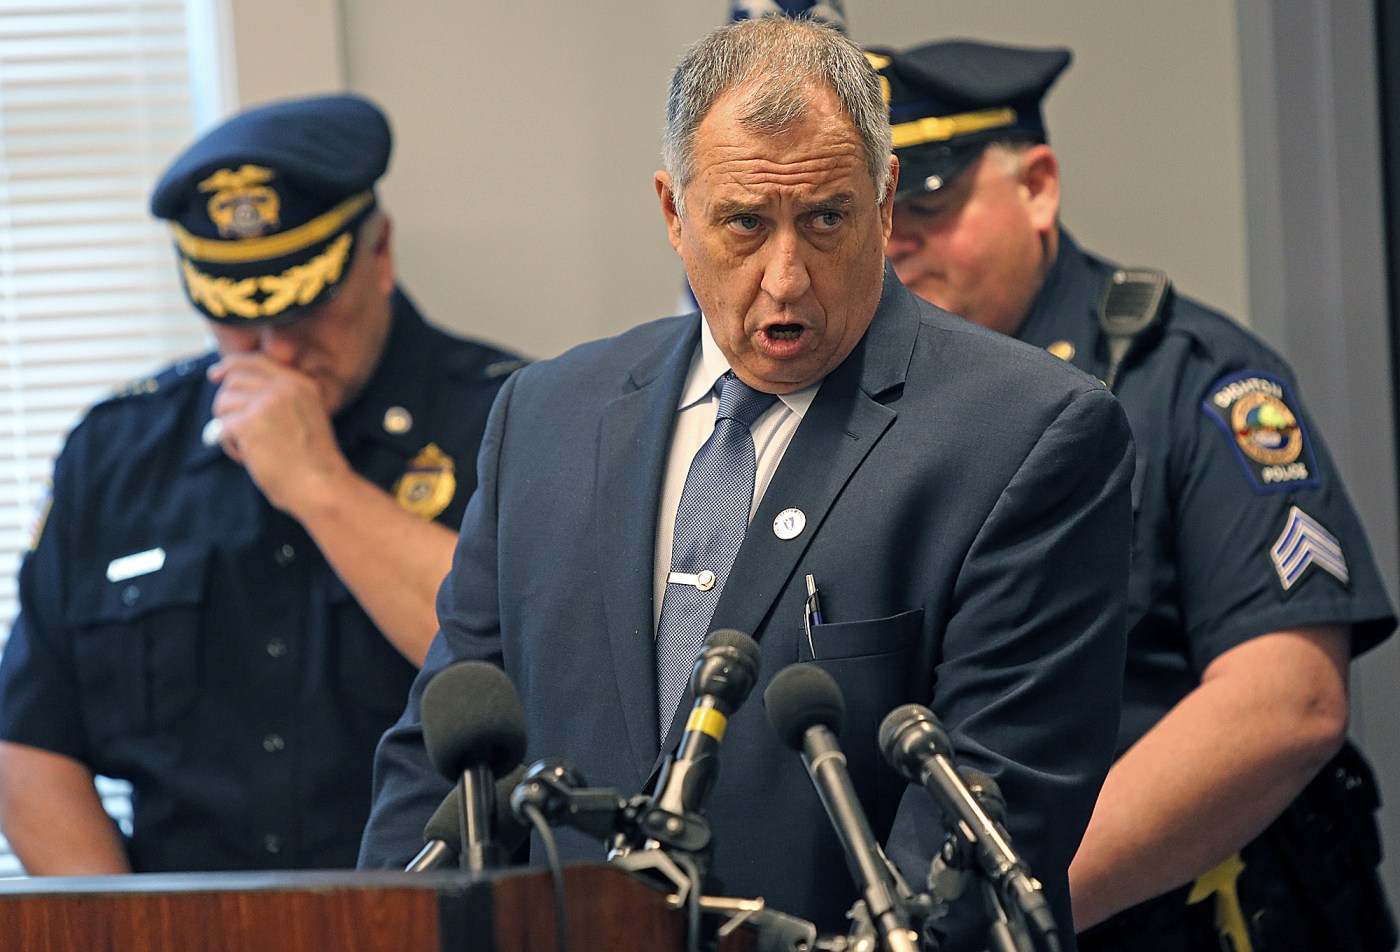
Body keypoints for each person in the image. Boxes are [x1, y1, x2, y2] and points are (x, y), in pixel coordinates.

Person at [360, 18, 1134, 950]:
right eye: (744, 224)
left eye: (827, 219)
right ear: (672, 211)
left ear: (885, 202)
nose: (786, 277)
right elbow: (439, 767)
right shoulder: (546, 417)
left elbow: (984, 831)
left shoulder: (1026, 434)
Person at [871, 38, 1398, 951]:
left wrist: (1002, 910)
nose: (897, 241)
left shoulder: (1186, 377)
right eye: (878, 210)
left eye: (929, 200)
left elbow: (1288, 701)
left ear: (1038, 186)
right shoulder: (867, 405)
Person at [0, 93, 525, 874]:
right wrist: (131, 929)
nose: (275, 352)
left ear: (379, 253)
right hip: (186, 921)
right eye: (239, 321)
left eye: (307, 310)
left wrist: (319, 485)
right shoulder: (117, 452)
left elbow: (528, 671)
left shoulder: (514, 419)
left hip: (437, 911)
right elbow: (31, 750)